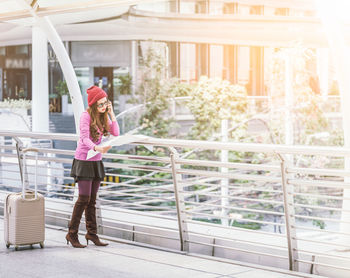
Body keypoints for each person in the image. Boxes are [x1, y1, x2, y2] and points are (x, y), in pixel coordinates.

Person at [66, 85, 119, 248]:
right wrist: (96, 148)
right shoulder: (85, 116)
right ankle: (72, 234)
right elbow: (83, 138)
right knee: (83, 199)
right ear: (93, 104)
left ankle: (92, 233)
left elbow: (116, 132)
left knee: (92, 200)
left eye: (106, 103)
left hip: (96, 161)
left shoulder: (104, 116)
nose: (103, 107)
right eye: (101, 104)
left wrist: (111, 114)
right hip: (84, 160)